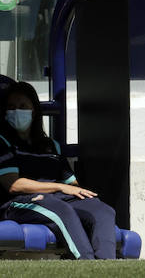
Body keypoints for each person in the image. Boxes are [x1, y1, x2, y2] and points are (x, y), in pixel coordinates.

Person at [0, 80, 118, 260]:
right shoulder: (3, 142)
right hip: (19, 202)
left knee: (102, 210)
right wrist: (59, 188)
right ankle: (89, 265)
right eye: (11, 107)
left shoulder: (51, 146)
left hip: (56, 197)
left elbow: (71, 183)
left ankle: (107, 265)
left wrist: (76, 192)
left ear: (34, 110)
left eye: (23, 106)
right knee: (61, 210)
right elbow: (13, 184)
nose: (17, 111)